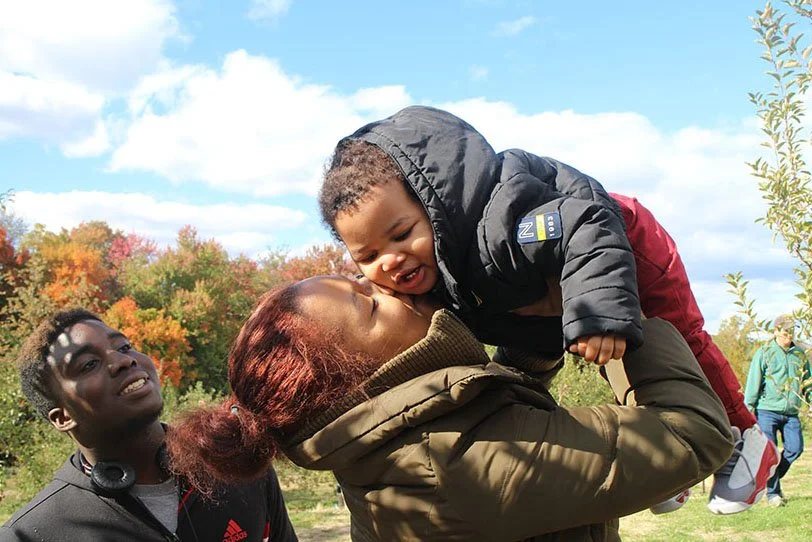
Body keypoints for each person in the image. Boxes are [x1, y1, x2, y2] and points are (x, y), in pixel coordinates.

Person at [317, 105, 778, 514]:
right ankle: (672, 463)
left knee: (672, 338)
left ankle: (747, 437)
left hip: (624, 244)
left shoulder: (502, 227)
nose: (390, 261)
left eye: (401, 234)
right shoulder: (434, 275)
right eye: (368, 256)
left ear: (434, 209)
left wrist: (596, 310)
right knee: (602, 354)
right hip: (563, 270)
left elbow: (586, 223)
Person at [167, 274, 734, 541]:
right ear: (359, 379)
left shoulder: (399, 445)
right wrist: (621, 311)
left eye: (356, 277)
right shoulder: (447, 467)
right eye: (367, 304)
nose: (381, 281)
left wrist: (532, 343)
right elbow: (692, 433)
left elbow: (494, 418)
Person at [1, 308, 298, 542]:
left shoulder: (235, 463)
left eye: (125, 346)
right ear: (63, 417)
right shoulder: (30, 533)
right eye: (88, 364)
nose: (123, 361)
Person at [744, 314, 811, 507]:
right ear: (776, 331)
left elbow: (807, 383)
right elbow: (753, 384)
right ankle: (773, 494)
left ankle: (768, 480)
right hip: (767, 411)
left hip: (791, 413)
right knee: (771, 453)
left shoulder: (800, 354)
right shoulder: (764, 352)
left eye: (791, 331)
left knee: (795, 448)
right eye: (785, 332)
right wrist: (748, 413)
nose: (788, 335)